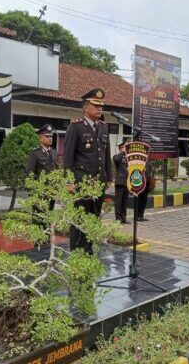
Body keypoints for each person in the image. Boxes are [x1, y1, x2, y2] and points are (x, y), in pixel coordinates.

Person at [63, 88, 112, 253]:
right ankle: (77, 252)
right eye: (95, 105)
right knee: (79, 218)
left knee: (94, 218)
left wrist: (108, 178)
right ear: (85, 108)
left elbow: (106, 155)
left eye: (101, 106)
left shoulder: (104, 127)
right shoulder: (75, 127)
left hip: (98, 183)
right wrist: (69, 181)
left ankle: (89, 249)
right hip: (81, 183)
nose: (99, 109)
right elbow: (68, 157)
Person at [113, 141, 130, 224]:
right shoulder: (117, 156)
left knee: (125, 201)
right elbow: (116, 160)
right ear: (121, 148)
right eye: (124, 147)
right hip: (120, 182)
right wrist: (122, 152)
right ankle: (118, 218)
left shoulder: (128, 157)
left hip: (127, 182)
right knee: (118, 201)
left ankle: (124, 218)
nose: (126, 149)